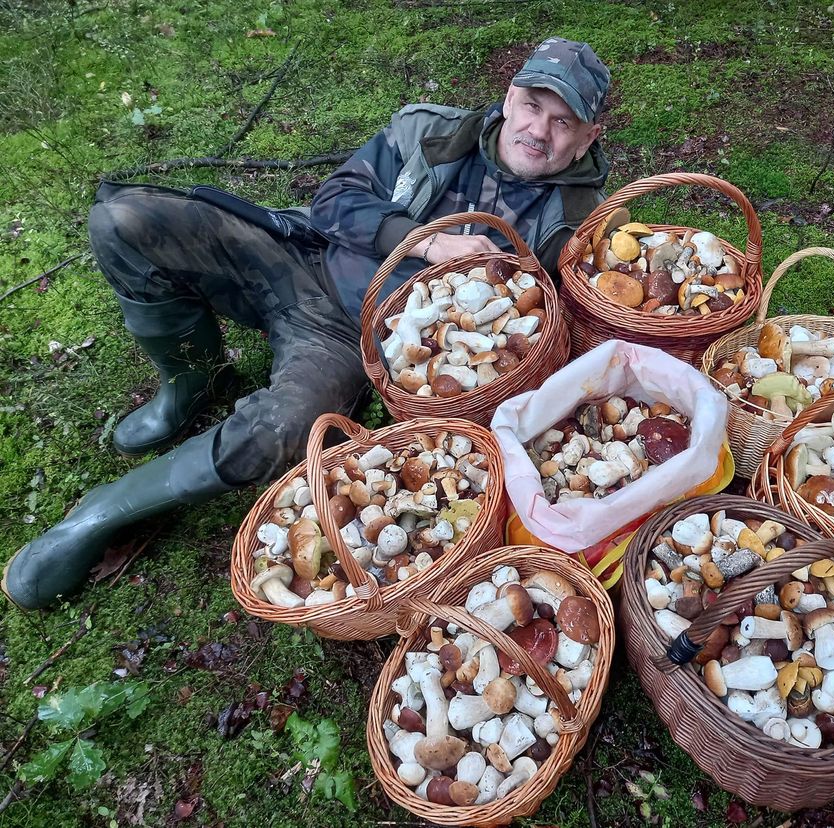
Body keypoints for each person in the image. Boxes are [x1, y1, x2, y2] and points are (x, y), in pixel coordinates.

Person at [2, 37, 611, 610]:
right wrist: (427, 244)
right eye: (532, 107)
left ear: (587, 139)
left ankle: (100, 514)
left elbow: (543, 341)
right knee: (124, 220)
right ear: (509, 98)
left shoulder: (577, 228)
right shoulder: (431, 132)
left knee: (280, 429)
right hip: (301, 257)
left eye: (563, 123)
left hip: (352, 338)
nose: (538, 132)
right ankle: (191, 382)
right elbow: (335, 199)